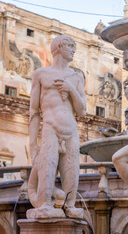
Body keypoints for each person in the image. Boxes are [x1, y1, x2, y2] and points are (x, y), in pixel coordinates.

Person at [28, 35, 86, 219]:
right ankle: (44, 203)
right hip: (50, 127)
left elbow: (82, 111)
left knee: (72, 170)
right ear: (59, 47)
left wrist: (71, 89)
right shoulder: (41, 74)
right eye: (70, 46)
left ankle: (69, 205)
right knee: (48, 166)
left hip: (71, 129)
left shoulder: (76, 77)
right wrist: (32, 144)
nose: (73, 50)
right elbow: (34, 112)